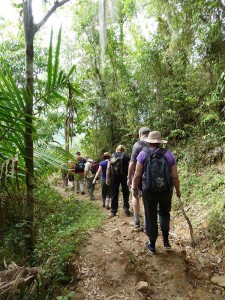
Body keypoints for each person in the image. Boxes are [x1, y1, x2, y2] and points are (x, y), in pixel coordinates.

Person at [132, 131, 181, 254]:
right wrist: (178, 190)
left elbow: (137, 174)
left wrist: (134, 188)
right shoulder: (168, 154)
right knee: (164, 213)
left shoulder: (143, 154)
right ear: (160, 142)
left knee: (151, 216)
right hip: (166, 190)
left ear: (148, 141)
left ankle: (152, 245)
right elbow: (174, 176)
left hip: (149, 191)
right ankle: (166, 242)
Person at [127, 127, 150, 228]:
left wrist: (129, 177)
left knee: (135, 195)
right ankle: (146, 223)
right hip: (150, 176)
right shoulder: (154, 144)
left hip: (138, 175)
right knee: (146, 200)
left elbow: (132, 163)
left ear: (140, 134)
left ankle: (136, 221)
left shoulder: (137, 145)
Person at [106, 145, 130, 217]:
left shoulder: (112, 156)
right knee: (125, 192)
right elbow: (130, 167)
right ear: (123, 149)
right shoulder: (126, 156)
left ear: (117, 149)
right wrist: (130, 177)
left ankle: (113, 211)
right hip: (124, 177)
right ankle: (126, 207)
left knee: (114, 193)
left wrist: (107, 178)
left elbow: (108, 168)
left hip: (114, 177)